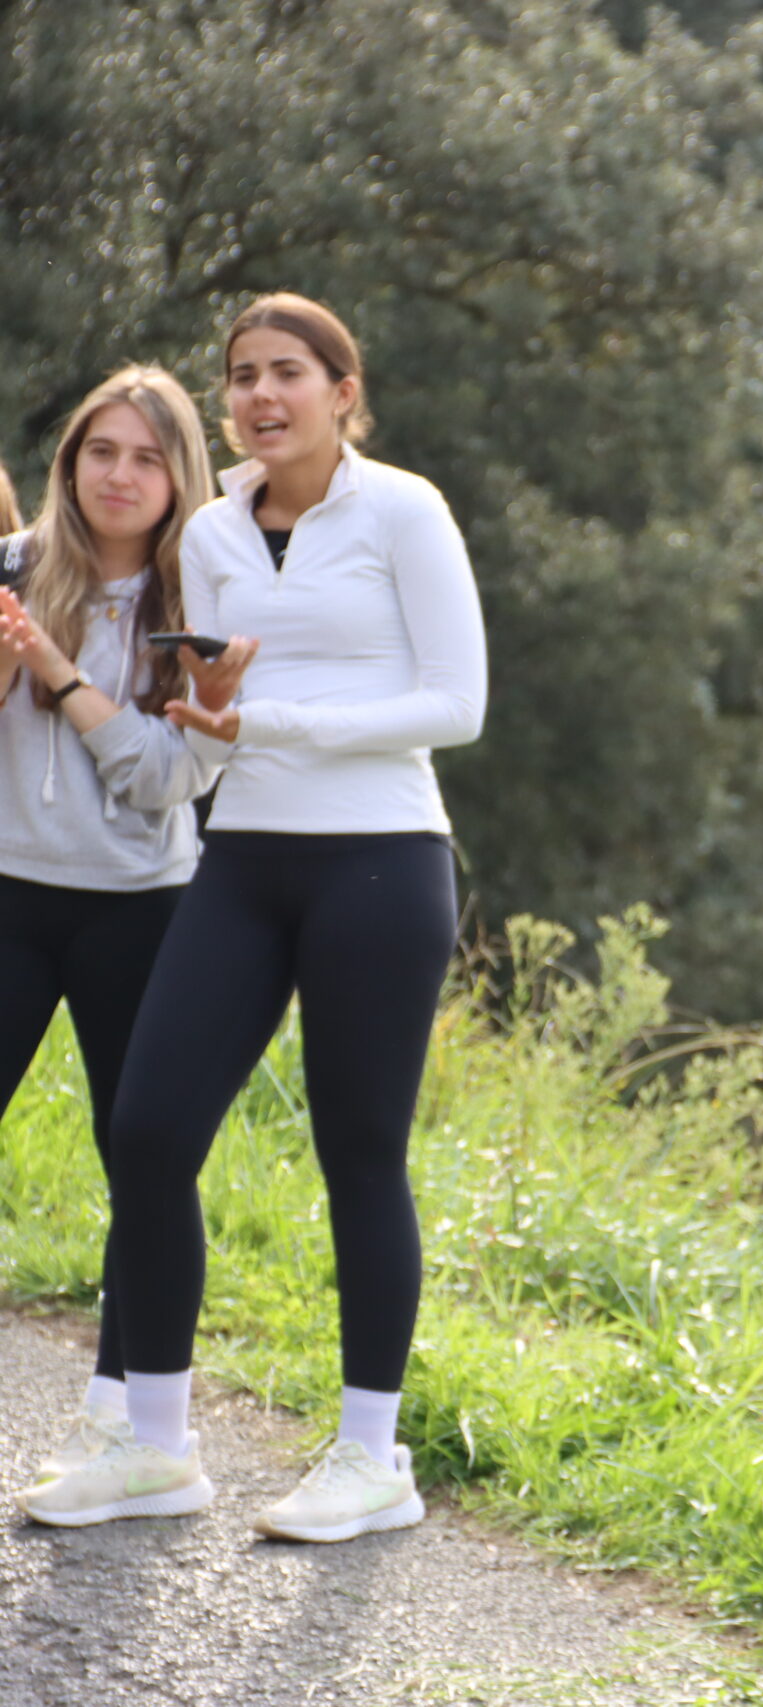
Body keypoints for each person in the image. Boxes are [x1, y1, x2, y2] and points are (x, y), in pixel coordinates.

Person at [24, 293, 486, 1537]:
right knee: (150, 1131)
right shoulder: (214, 533)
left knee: (359, 1153)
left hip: (381, 860)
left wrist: (265, 721)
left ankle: (372, 1459)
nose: (262, 395)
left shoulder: (404, 510)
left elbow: (458, 705)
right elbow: (201, 710)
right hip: (241, 862)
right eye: (241, 375)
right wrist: (215, 716)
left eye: (289, 372)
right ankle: (155, 1446)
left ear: (344, 391)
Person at [0, 367, 218, 1494]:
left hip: (144, 908)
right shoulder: (12, 570)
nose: (119, 476)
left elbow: (168, 779)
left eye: (146, 457)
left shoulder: (205, 601)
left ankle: (126, 1418)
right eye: (101, 451)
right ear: (70, 460)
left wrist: (55, 669)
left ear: (180, 477)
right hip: (9, 893)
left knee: (144, 1160)